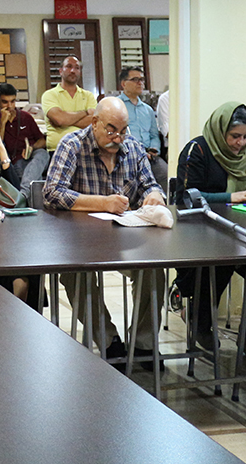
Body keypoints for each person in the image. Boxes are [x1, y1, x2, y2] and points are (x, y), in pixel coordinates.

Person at [43, 97, 165, 369]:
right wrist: (102, 202)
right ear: (95, 122)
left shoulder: (133, 147)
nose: (118, 138)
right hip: (81, 242)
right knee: (75, 276)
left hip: (126, 239)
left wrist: (155, 194)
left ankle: (143, 344)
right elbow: (52, 193)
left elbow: (150, 184)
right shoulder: (72, 146)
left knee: (154, 271)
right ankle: (109, 341)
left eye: (123, 131)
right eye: (111, 130)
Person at [175, 102, 246, 375]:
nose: (240, 143)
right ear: (221, 132)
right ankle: (200, 320)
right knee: (222, 258)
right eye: (234, 136)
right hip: (199, 232)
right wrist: (230, 197)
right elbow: (186, 197)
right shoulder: (198, 150)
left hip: (241, 231)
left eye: (245, 137)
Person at [0, 83, 49, 203]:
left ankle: (23, 194)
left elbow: (42, 140)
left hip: (31, 157)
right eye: (5, 102)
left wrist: (31, 147)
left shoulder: (25, 117)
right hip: (13, 161)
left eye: (12, 101)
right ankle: (28, 199)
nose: (10, 106)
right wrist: (2, 123)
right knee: (33, 176)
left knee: (43, 154)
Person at [118, 67, 167, 190]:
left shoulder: (148, 109)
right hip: (125, 154)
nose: (140, 83)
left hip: (149, 155)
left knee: (166, 176)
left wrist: (154, 149)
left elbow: (154, 135)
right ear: (123, 84)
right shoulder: (116, 105)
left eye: (142, 79)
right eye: (135, 79)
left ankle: (163, 202)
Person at [42, 56, 98, 152]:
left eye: (77, 68)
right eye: (69, 66)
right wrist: (85, 112)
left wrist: (65, 120)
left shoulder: (88, 96)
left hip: (86, 150)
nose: (73, 71)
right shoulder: (50, 95)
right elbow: (59, 119)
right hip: (58, 150)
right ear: (60, 71)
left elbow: (94, 122)